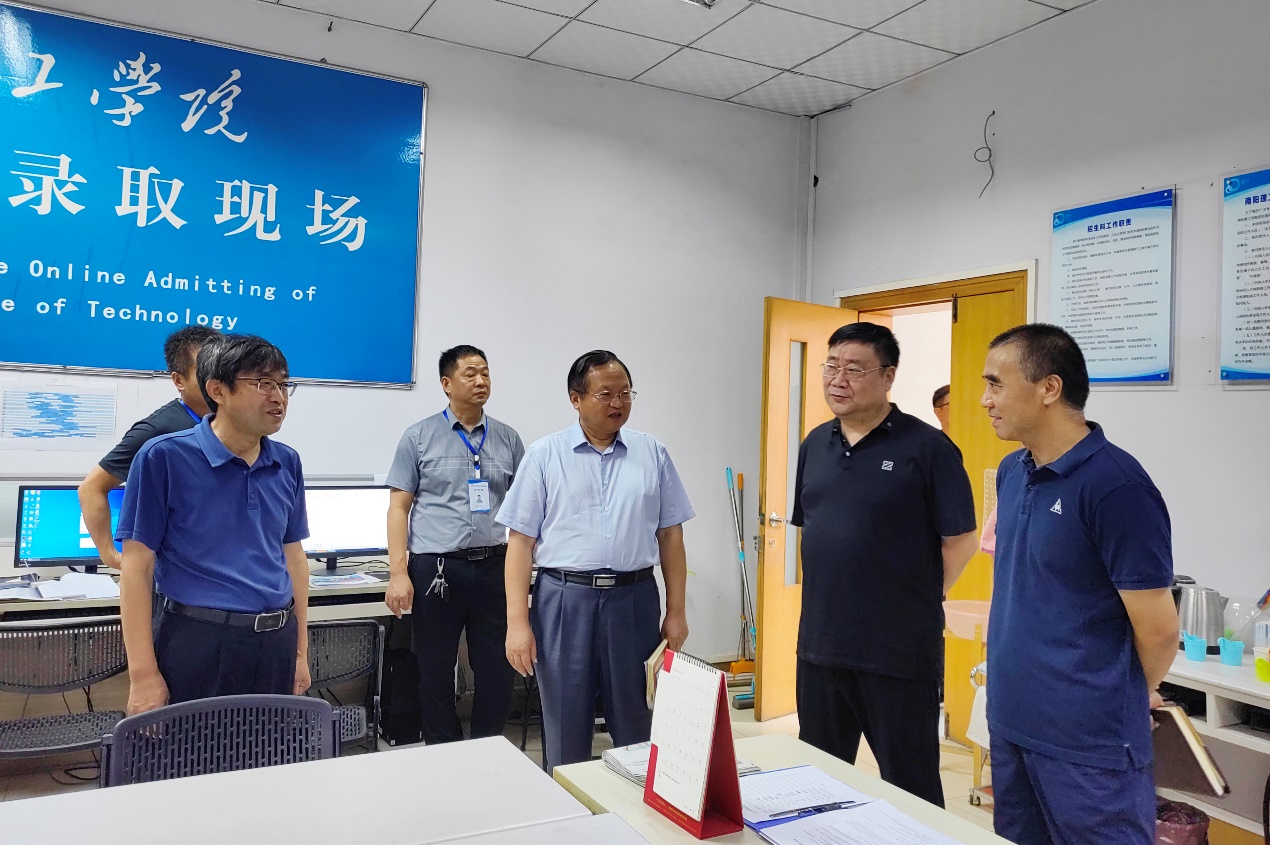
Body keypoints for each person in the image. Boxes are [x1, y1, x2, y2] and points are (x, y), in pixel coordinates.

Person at [981, 324, 1177, 845]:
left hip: (1088, 745)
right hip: (1012, 722)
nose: (985, 400)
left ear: (1049, 387)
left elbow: (1159, 630)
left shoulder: (1116, 486)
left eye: (996, 384)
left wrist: (1124, 696)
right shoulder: (1012, 471)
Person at [791, 322, 977, 807]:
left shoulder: (927, 448)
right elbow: (813, 531)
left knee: (910, 785)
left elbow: (961, 539)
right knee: (817, 780)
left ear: (888, 376)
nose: (838, 380)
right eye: (831, 367)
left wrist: (917, 596)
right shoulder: (815, 444)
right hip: (822, 647)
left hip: (896, 651)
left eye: (854, 369)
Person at [498, 350, 694, 770]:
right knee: (565, 721)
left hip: (634, 599)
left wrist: (676, 611)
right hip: (564, 600)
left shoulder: (652, 453)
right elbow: (520, 544)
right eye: (605, 394)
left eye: (626, 393)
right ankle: (568, 803)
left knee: (637, 720)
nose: (618, 403)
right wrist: (517, 623)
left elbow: (671, 536)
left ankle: (634, 804)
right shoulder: (545, 455)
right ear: (576, 399)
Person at [115, 334, 311, 715]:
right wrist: (143, 675)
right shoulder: (163, 458)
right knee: (196, 751)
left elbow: (294, 559)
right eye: (263, 383)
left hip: (276, 641)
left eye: (283, 384)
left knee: (271, 749)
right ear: (218, 390)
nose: (278, 397)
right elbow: (136, 569)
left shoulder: (287, 462)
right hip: (200, 641)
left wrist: (300, 651)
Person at [383, 345, 525, 744]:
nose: (481, 381)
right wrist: (398, 573)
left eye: (485, 373)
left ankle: (489, 747)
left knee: (496, 668)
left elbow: (525, 510)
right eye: (470, 374)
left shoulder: (508, 439)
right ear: (446, 384)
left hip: (495, 566)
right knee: (434, 670)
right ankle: (444, 752)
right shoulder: (418, 437)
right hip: (437, 569)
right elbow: (398, 508)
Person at [78, 327, 220, 569]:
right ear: (179, 380)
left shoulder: (232, 423)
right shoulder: (158, 430)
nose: (217, 380)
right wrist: (111, 556)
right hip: (176, 574)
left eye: (222, 369)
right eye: (205, 371)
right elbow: (91, 488)